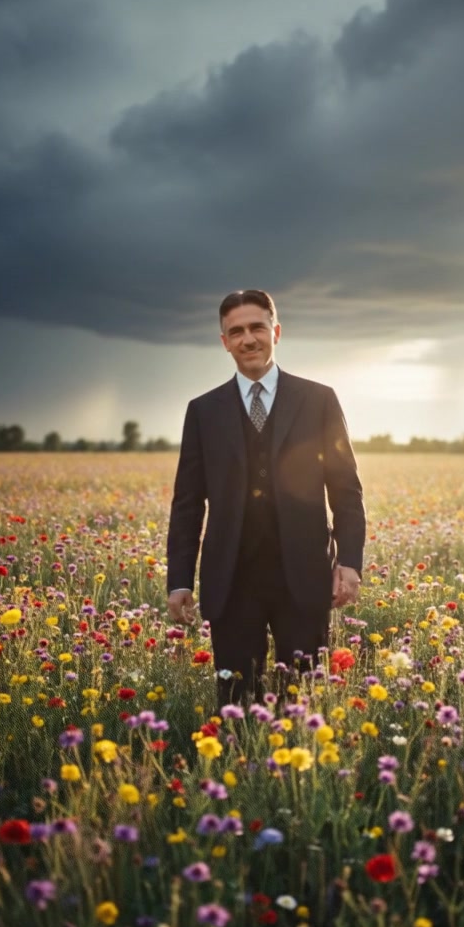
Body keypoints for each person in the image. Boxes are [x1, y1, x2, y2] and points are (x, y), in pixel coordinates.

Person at [166, 289, 365, 707]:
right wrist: (180, 580)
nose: (248, 339)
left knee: (305, 705)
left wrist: (348, 561)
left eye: (257, 327)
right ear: (224, 342)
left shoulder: (318, 399)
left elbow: (345, 488)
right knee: (236, 703)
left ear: (276, 331)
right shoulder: (203, 411)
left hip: (304, 577)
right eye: (235, 331)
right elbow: (187, 502)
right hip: (230, 582)